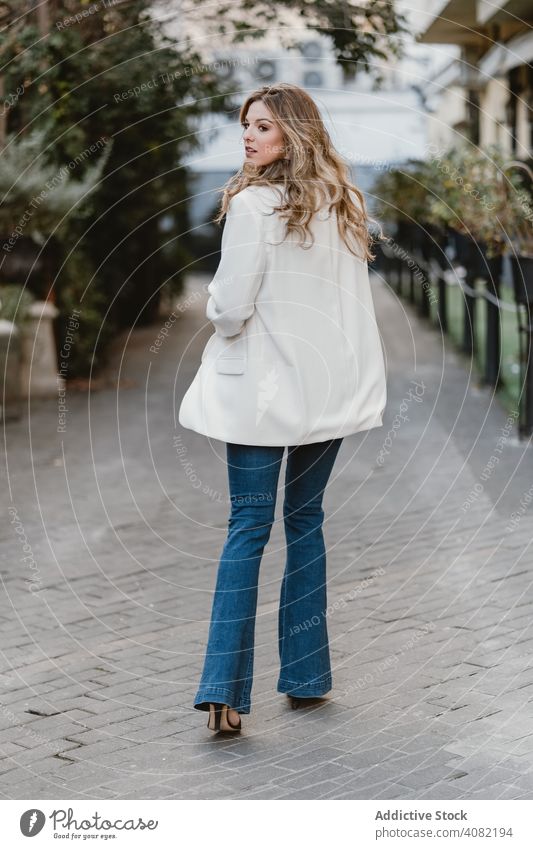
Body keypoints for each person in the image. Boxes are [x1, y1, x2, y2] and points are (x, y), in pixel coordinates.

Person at [178, 82, 387, 733]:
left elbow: (231, 309)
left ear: (291, 133)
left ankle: (223, 691)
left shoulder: (251, 204)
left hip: (263, 395)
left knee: (248, 525)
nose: (248, 135)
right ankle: (306, 674)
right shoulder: (344, 203)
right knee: (305, 522)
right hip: (324, 392)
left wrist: (213, 303)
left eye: (262, 126)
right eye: (246, 125)